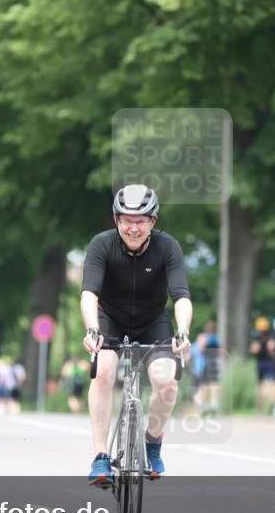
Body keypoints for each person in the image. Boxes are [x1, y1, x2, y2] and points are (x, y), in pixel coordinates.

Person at [81, 184, 192, 486]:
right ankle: (101, 456)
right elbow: (89, 293)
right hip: (110, 320)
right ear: (116, 219)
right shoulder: (101, 245)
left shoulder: (168, 247)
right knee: (103, 372)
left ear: (153, 222)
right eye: (126, 220)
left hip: (152, 322)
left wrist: (182, 331)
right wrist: (92, 327)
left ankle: (152, 442)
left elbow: (181, 296)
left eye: (141, 220)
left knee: (167, 384)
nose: (133, 228)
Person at [249, 316, 275, 415]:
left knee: (267, 384)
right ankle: (262, 408)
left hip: (266, 362)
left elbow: (271, 349)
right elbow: (253, 350)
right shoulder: (258, 337)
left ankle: (270, 404)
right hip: (263, 362)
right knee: (261, 386)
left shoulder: (268, 336)